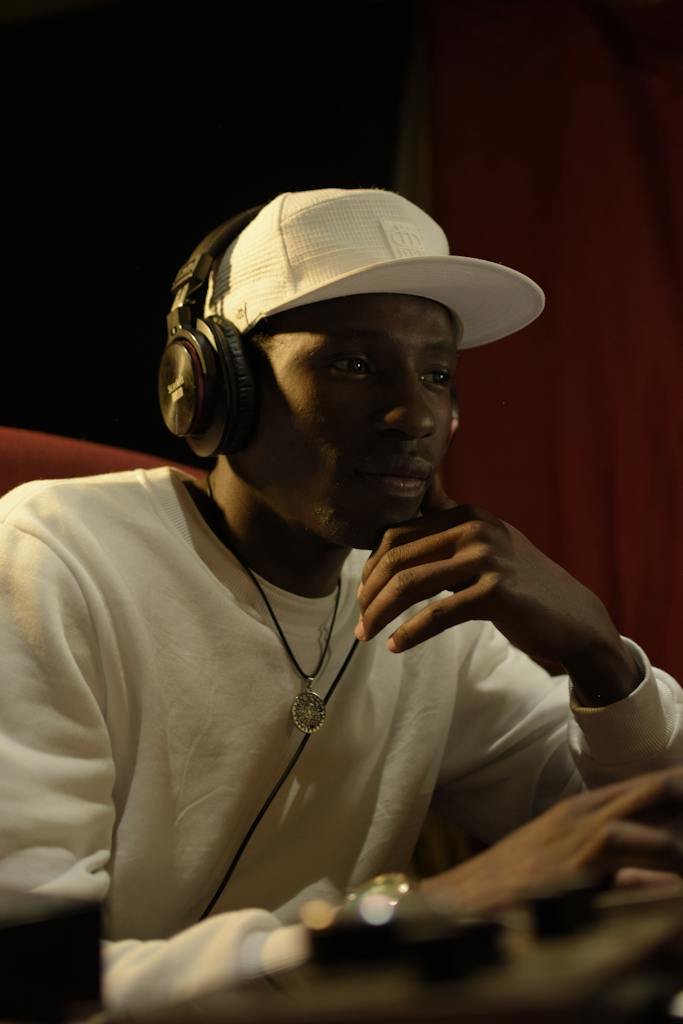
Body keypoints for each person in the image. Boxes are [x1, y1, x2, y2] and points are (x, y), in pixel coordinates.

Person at [1, 186, 683, 1016]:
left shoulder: (420, 607)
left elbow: (646, 839)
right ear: (212, 386)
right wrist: (418, 918)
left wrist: (601, 661)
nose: (414, 415)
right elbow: (31, 980)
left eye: (437, 373)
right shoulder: (52, 557)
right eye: (354, 364)